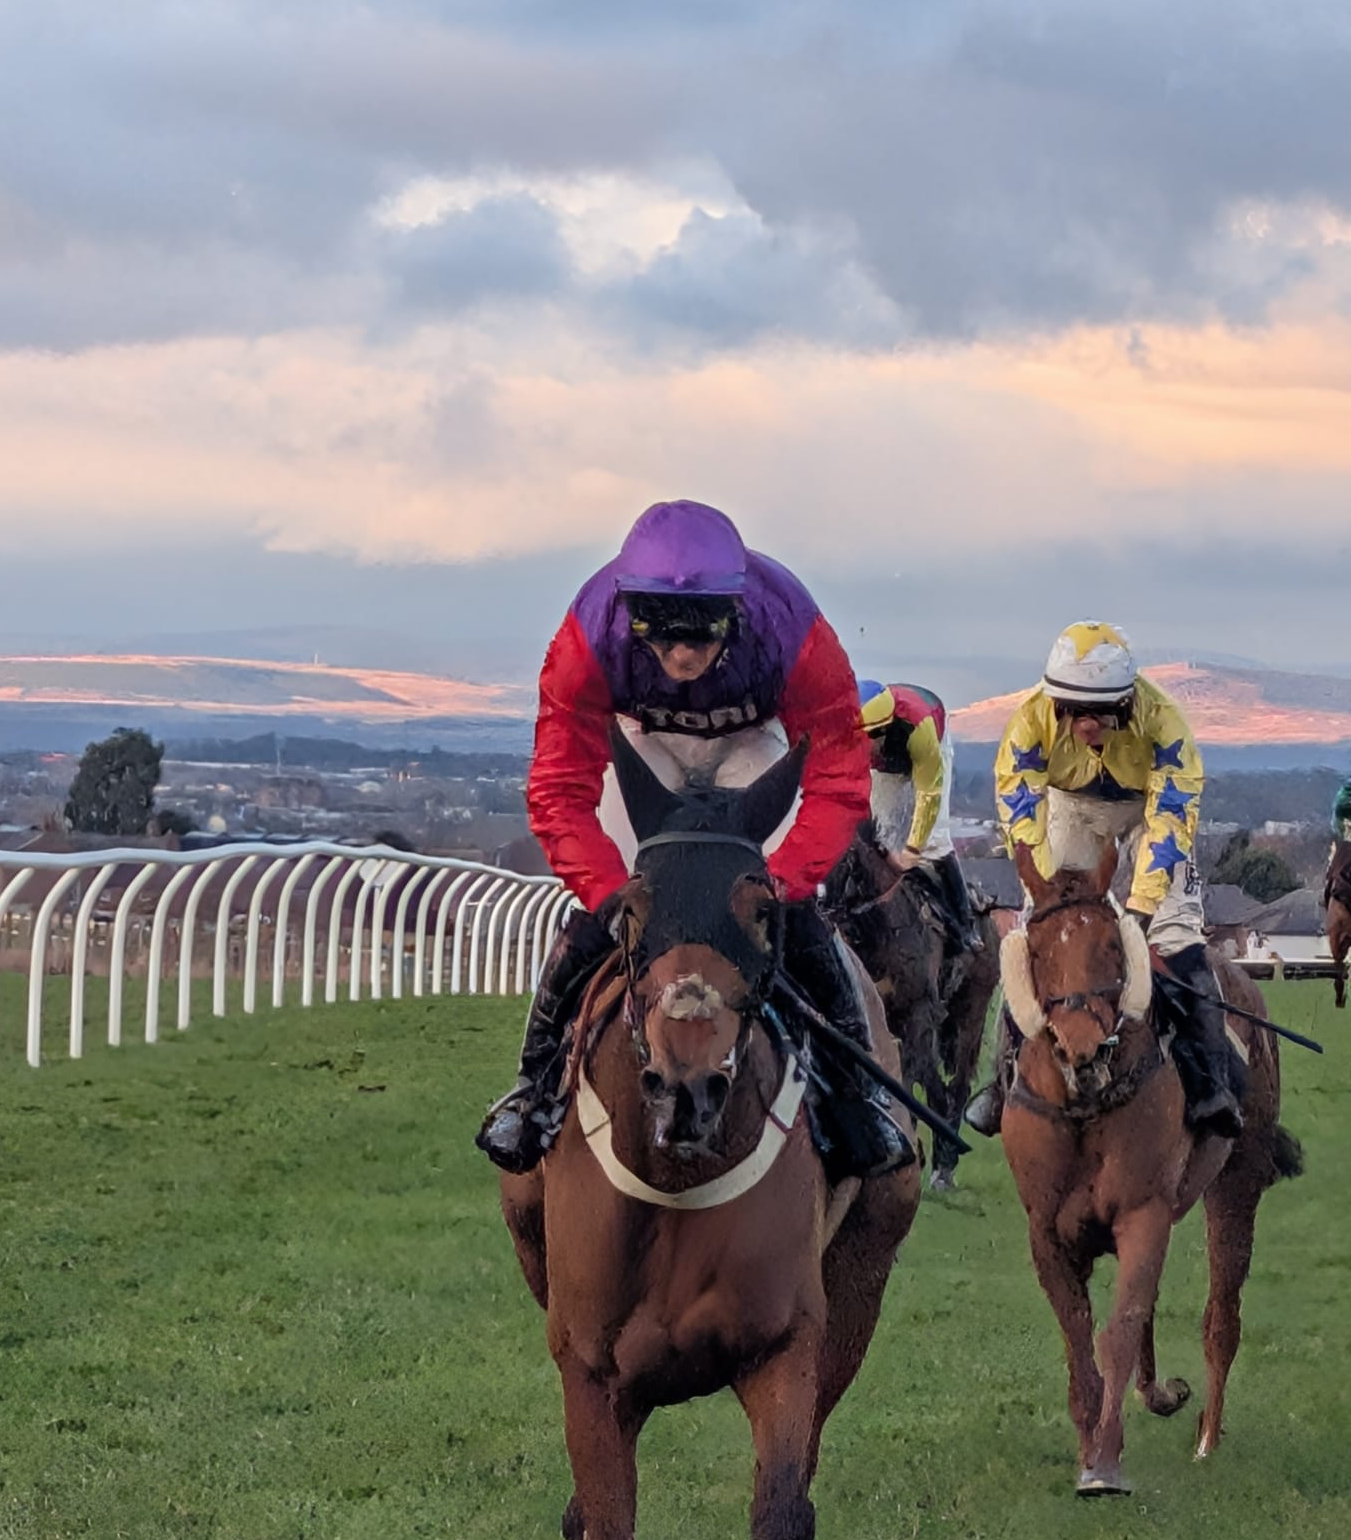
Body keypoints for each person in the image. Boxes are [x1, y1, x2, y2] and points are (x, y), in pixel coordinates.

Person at [475, 499, 914, 1180]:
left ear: (735, 611)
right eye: (660, 636)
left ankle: (856, 1098)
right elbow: (560, 787)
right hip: (643, 745)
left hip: (753, 745)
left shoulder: (793, 628)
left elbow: (837, 771)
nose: (681, 655)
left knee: (793, 912)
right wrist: (606, 891)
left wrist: (785, 881)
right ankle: (534, 1090)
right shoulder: (588, 635)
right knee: (609, 910)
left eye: (702, 635)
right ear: (629, 612)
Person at [965, 621, 1242, 1140]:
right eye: (1071, 712)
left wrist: (1139, 911)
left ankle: (1212, 1084)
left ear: (1125, 703)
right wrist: (1047, 897)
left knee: (1175, 934)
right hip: (1071, 810)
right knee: (1040, 934)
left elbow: (1169, 821)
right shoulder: (1029, 722)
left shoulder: (1165, 725)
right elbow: (1022, 814)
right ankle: (1001, 1081)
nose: (1084, 725)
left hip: (1148, 812)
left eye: (1097, 713)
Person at [855, 679, 981, 953]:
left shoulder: (918, 729)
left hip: (930, 751)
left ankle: (964, 923)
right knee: (880, 835)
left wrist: (913, 848)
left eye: (860, 743)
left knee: (933, 840)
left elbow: (929, 795)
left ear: (880, 732)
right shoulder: (851, 732)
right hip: (889, 763)